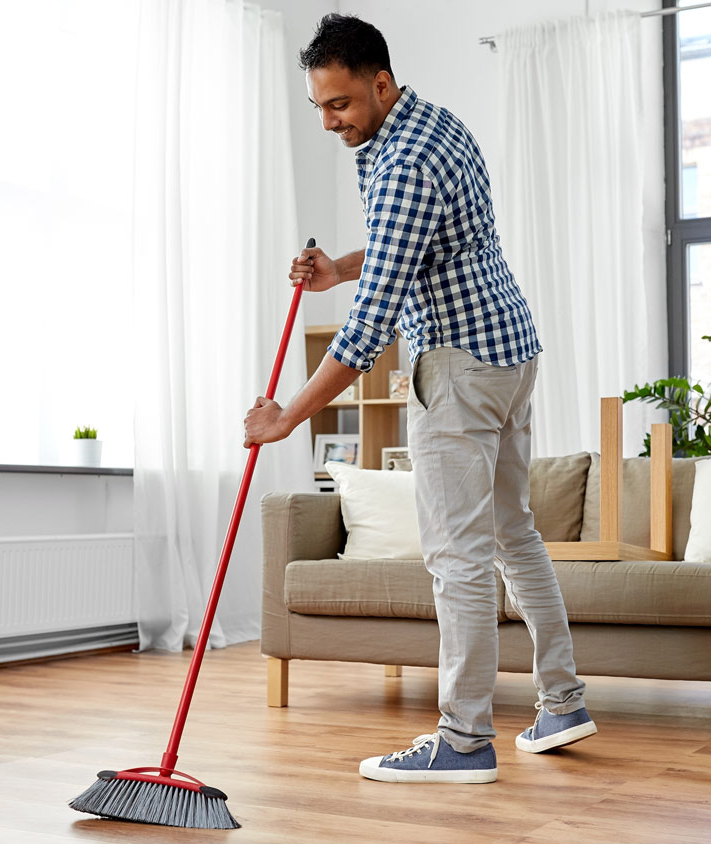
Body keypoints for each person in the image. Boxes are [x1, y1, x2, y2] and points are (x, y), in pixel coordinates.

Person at [242, 13, 595, 785]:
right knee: (513, 534)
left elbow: (369, 332)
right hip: (510, 353)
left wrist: (286, 419)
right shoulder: (436, 123)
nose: (331, 121)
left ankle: (463, 738)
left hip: (460, 366)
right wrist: (338, 266)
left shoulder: (400, 162)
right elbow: (419, 242)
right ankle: (562, 700)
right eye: (319, 108)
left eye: (340, 105)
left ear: (378, 82)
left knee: (456, 557)